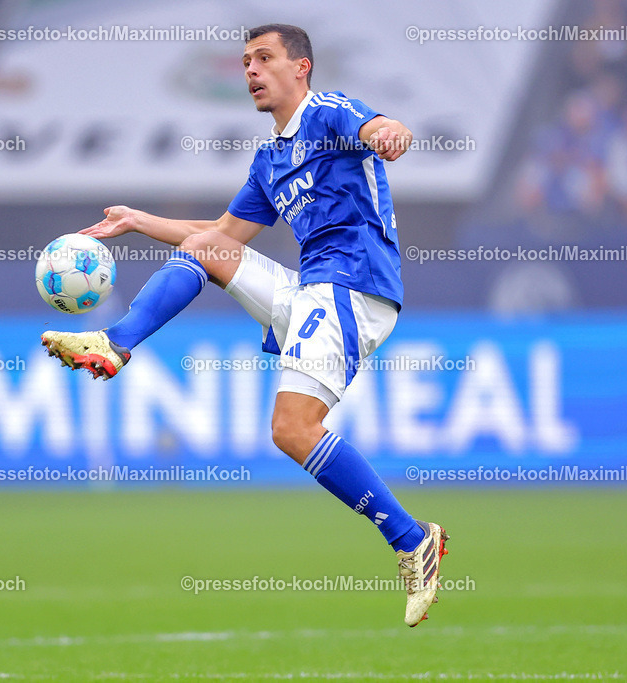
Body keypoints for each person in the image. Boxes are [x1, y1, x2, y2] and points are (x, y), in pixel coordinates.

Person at [42, 24, 449, 627]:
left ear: (301, 67)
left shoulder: (328, 113)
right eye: (245, 62)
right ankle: (113, 343)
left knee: (292, 429)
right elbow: (220, 236)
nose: (251, 70)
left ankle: (412, 540)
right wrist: (137, 220)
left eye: (264, 58)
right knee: (206, 250)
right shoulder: (270, 160)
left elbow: (382, 128)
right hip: (312, 289)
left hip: (353, 286)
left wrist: (391, 134)